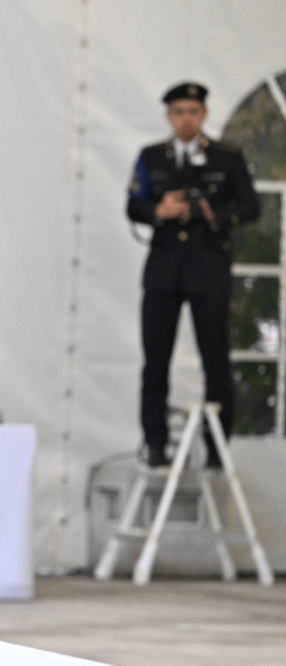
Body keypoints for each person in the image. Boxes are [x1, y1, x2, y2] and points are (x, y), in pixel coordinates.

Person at [127, 82, 259, 468]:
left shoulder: (227, 157)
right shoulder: (152, 157)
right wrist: (158, 212)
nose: (186, 118)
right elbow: (134, 205)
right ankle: (155, 442)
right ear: (169, 116)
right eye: (179, 111)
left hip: (208, 267)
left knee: (215, 358)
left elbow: (249, 207)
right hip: (164, 269)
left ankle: (217, 446)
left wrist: (211, 215)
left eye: (193, 111)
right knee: (155, 359)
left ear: (204, 115)